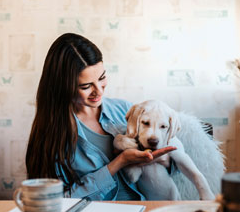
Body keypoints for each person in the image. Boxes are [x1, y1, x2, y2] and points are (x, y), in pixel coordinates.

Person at [26, 33, 175, 200]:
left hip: (143, 210)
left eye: (102, 78)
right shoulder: (53, 135)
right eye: (86, 86)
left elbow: (172, 170)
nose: (99, 91)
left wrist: (164, 160)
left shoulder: (124, 110)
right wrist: (120, 162)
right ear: (64, 87)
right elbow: (57, 201)